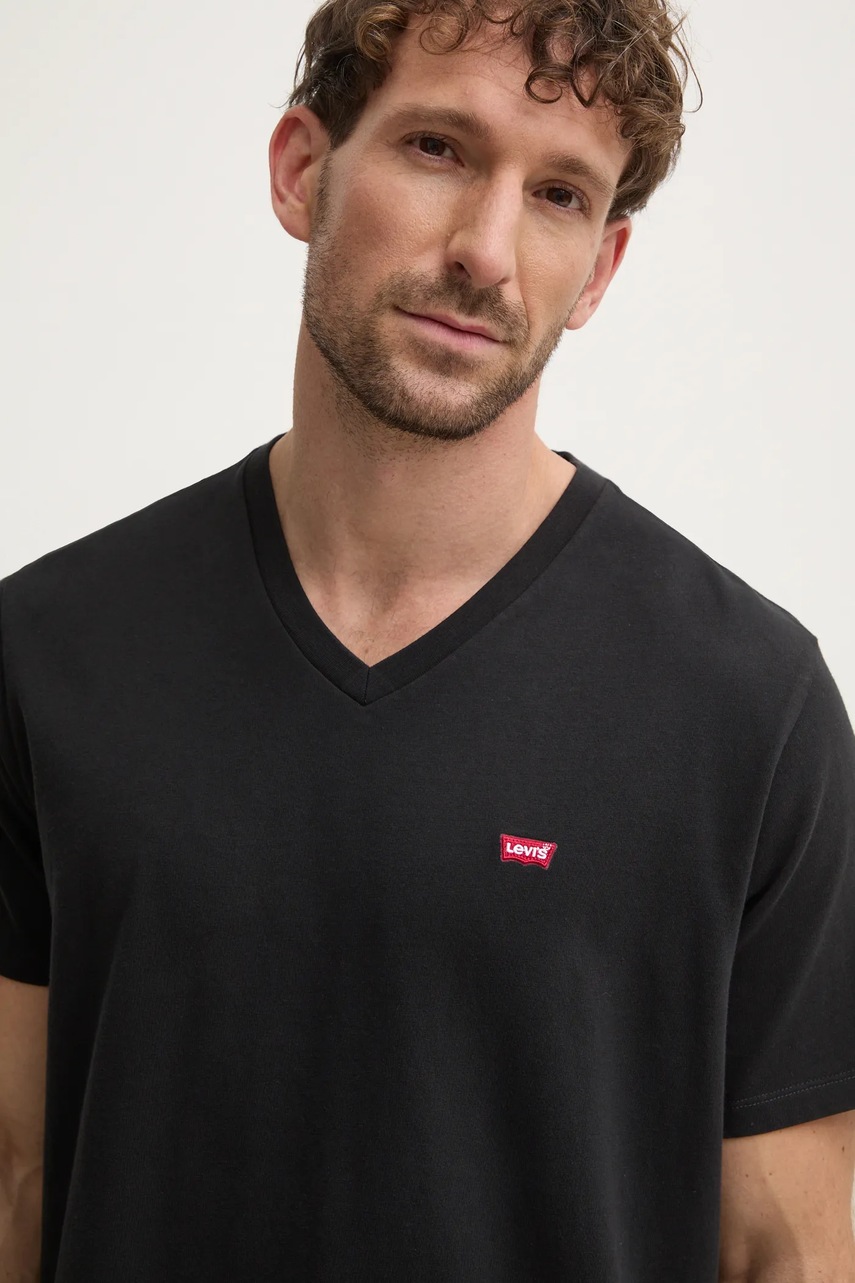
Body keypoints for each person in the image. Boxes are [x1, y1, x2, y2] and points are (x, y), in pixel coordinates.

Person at [1, 0, 854, 1278]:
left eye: (559, 195)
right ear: (303, 170)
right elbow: (16, 1179)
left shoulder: (751, 710)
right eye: (439, 149)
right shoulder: (50, 653)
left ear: (600, 270)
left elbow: (790, 1248)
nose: (487, 253)